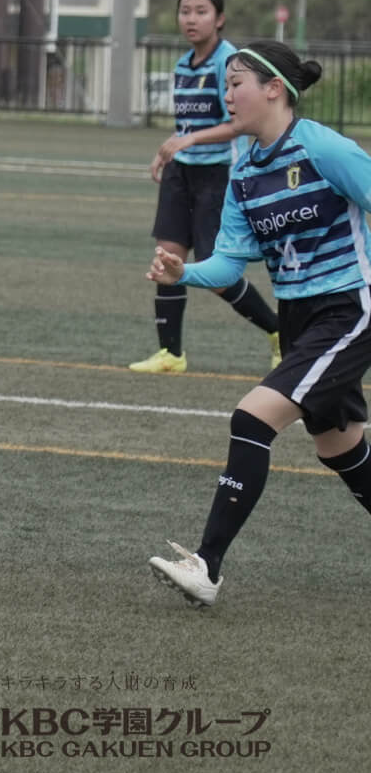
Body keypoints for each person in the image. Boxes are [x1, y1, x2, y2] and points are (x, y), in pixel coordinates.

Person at [146, 40, 371, 607]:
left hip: (348, 309)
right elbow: (229, 261)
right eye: (224, 84)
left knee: (252, 417)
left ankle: (207, 566)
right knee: (338, 447)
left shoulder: (322, 148)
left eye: (236, 83)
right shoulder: (244, 170)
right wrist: (182, 271)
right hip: (298, 317)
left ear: (274, 89)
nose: (227, 95)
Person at [131, 0, 281, 373]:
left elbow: (239, 124)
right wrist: (168, 150)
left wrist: (191, 140)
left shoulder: (229, 63)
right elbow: (187, 126)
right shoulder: (183, 65)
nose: (191, 19)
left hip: (217, 174)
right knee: (167, 257)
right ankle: (171, 354)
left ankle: (277, 331)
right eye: (185, 11)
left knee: (216, 272)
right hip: (181, 173)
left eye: (201, 11)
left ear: (219, 19)